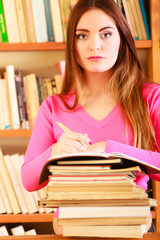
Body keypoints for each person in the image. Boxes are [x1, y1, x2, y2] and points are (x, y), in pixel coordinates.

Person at [21, 0, 160, 235]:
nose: (95, 46)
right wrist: (54, 152)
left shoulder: (150, 98)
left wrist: (112, 149)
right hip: (71, 230)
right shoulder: (54, 107)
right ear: (72, 44)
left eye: (106, 34)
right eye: (82, 36)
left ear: (122, 39)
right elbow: (28, 180)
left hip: (132, 229)